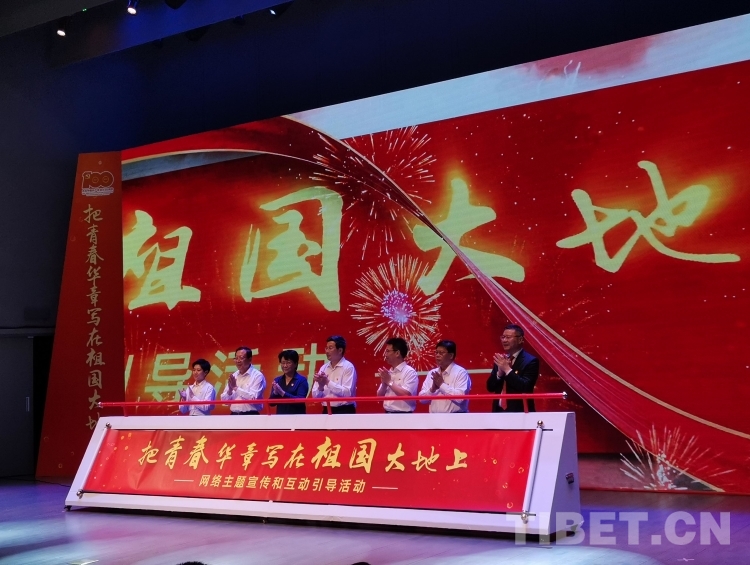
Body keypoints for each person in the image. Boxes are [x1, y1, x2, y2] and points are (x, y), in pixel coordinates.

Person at [486, 323, 540, 412]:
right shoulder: (501, 360)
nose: (504, 340)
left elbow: (525, 387)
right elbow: (490, 387)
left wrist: (507, 370)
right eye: (503, 337)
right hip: (498, 412)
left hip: (521, 413)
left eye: (508, 337)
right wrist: (499, 374)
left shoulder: (531, 361)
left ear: (520, 339)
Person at [419, 340, 471, 413]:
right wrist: (432, 390)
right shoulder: (432, 373)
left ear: (451, 355)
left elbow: (460, 398)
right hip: (434, 418)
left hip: (456, 417)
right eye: (436, 352)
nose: (437, 355)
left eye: (441, 353)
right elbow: (421, 399)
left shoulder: (461, 372)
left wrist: (441, 385)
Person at [312, 335, 357, 414]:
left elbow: (348, 393)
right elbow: (315, 397)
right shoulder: (323, 368)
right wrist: (321, 387)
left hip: (344, 411)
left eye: (330, 348)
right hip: (326, 410)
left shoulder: (348, 367)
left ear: (340, 350)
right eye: (326, 348)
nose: (327, 351)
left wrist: (327, 382)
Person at [376, 337, 418, 413]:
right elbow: (379, 397)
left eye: (388, 351)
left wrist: (389, 382)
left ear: (397, 353)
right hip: (387, 413)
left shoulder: (410, 372)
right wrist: (384, 384)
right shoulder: (388, 372)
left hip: (403, 415)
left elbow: (406, 395)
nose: (385, 354)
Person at [220, 346, 266, 414]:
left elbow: (254, 398)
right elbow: (224, 401)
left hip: (250, 414)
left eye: (241, 358)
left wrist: (235, 388)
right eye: (236, 358)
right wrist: (229, 391)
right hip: (234, 414)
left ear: (250, 359)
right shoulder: (234, 375)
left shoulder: (257, 376)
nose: (238, 361)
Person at [269, 350, 309, 415]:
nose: (285, 366)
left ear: (295, 364)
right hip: (281, 418)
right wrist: (275, 393)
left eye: (288, 363)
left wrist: (282, 393)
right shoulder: (277, 380)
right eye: (283, 363)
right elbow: (271, 404)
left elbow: (300, 401)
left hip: (297, 417)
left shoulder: (302, 380)